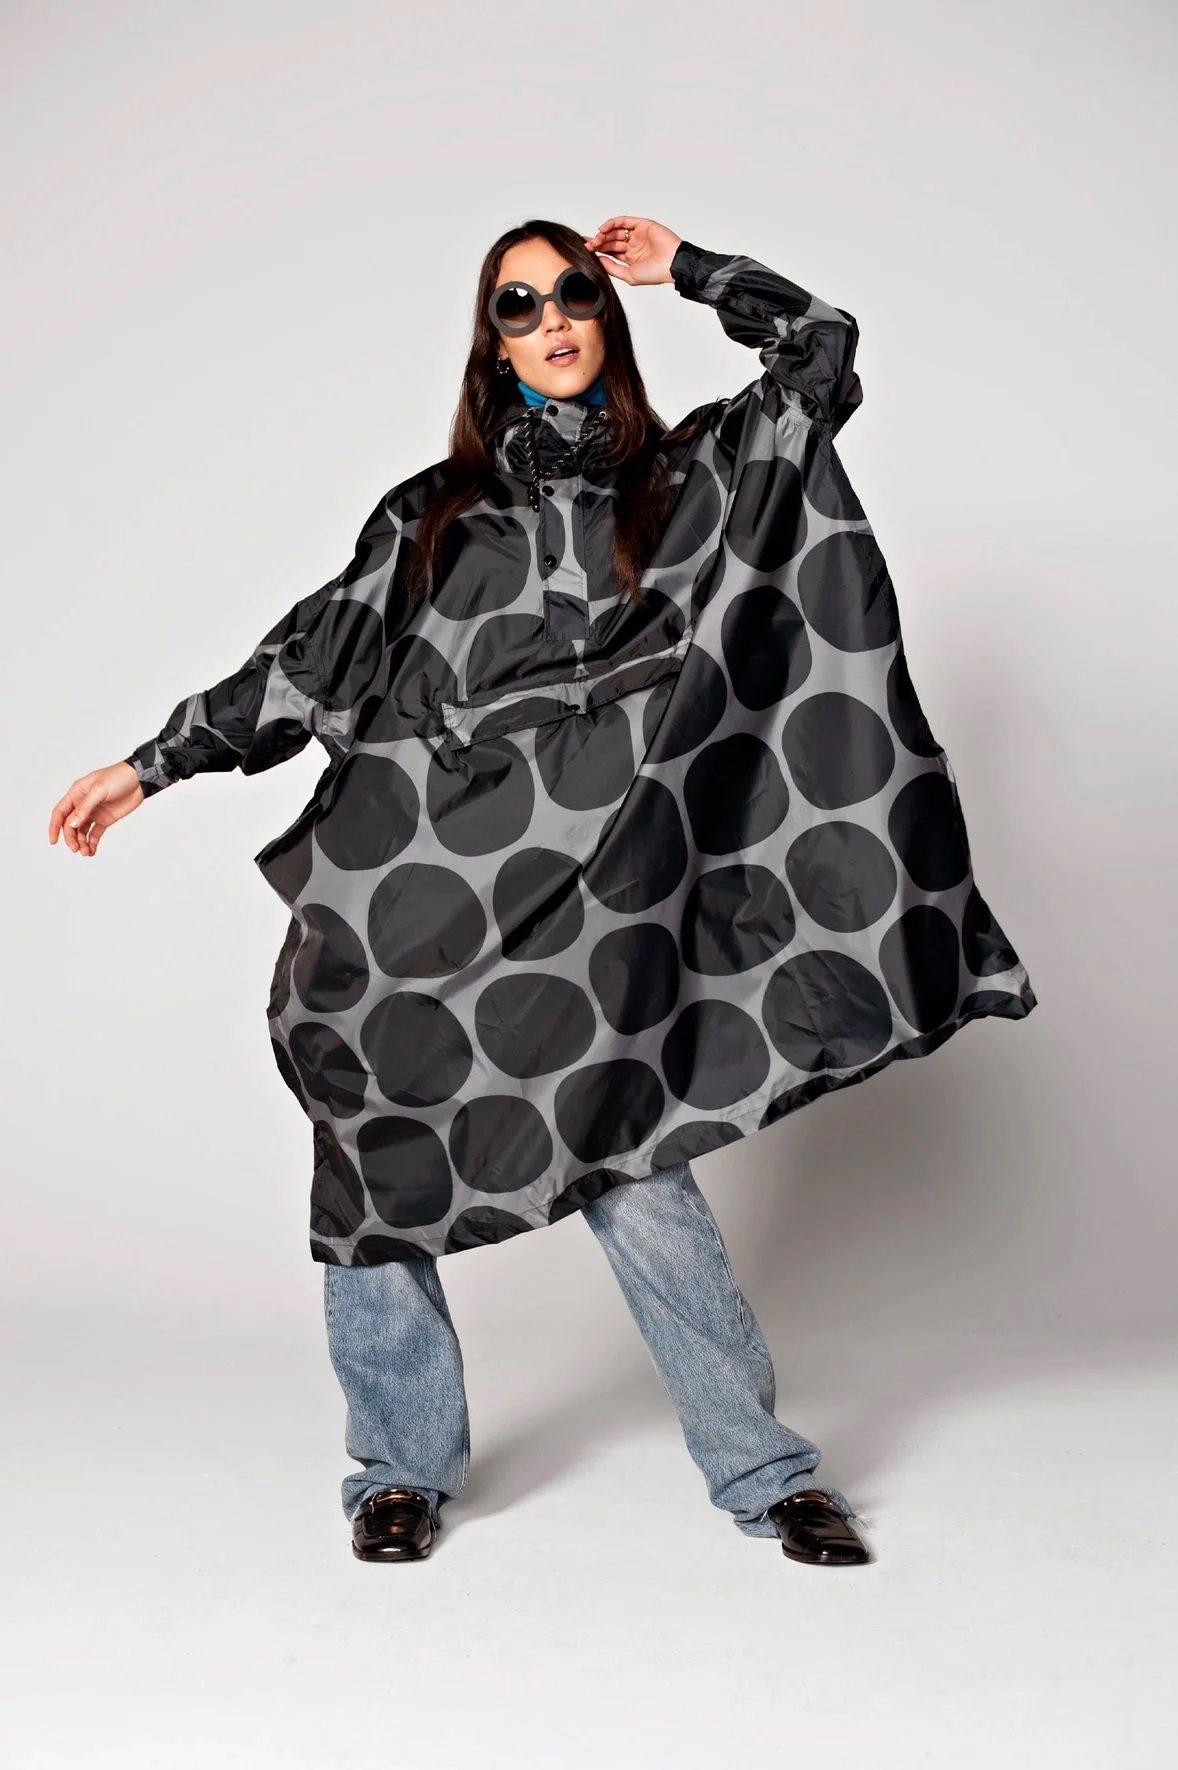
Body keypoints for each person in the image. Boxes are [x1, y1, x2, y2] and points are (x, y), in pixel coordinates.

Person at [49, 213, 1037, 1570]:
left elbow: (820, 351)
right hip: (439, 884)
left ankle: (763, 1471)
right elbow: (311, 658)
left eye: (572, 293)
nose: (553, 317)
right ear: (493, 345)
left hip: (606, 906)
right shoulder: (435, 516)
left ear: (605, 319)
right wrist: (152, 764)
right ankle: (399, 1468)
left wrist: (688, 269)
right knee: (370, 1146)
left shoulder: (693, 479)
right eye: (518, 304)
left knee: (637, 1170)